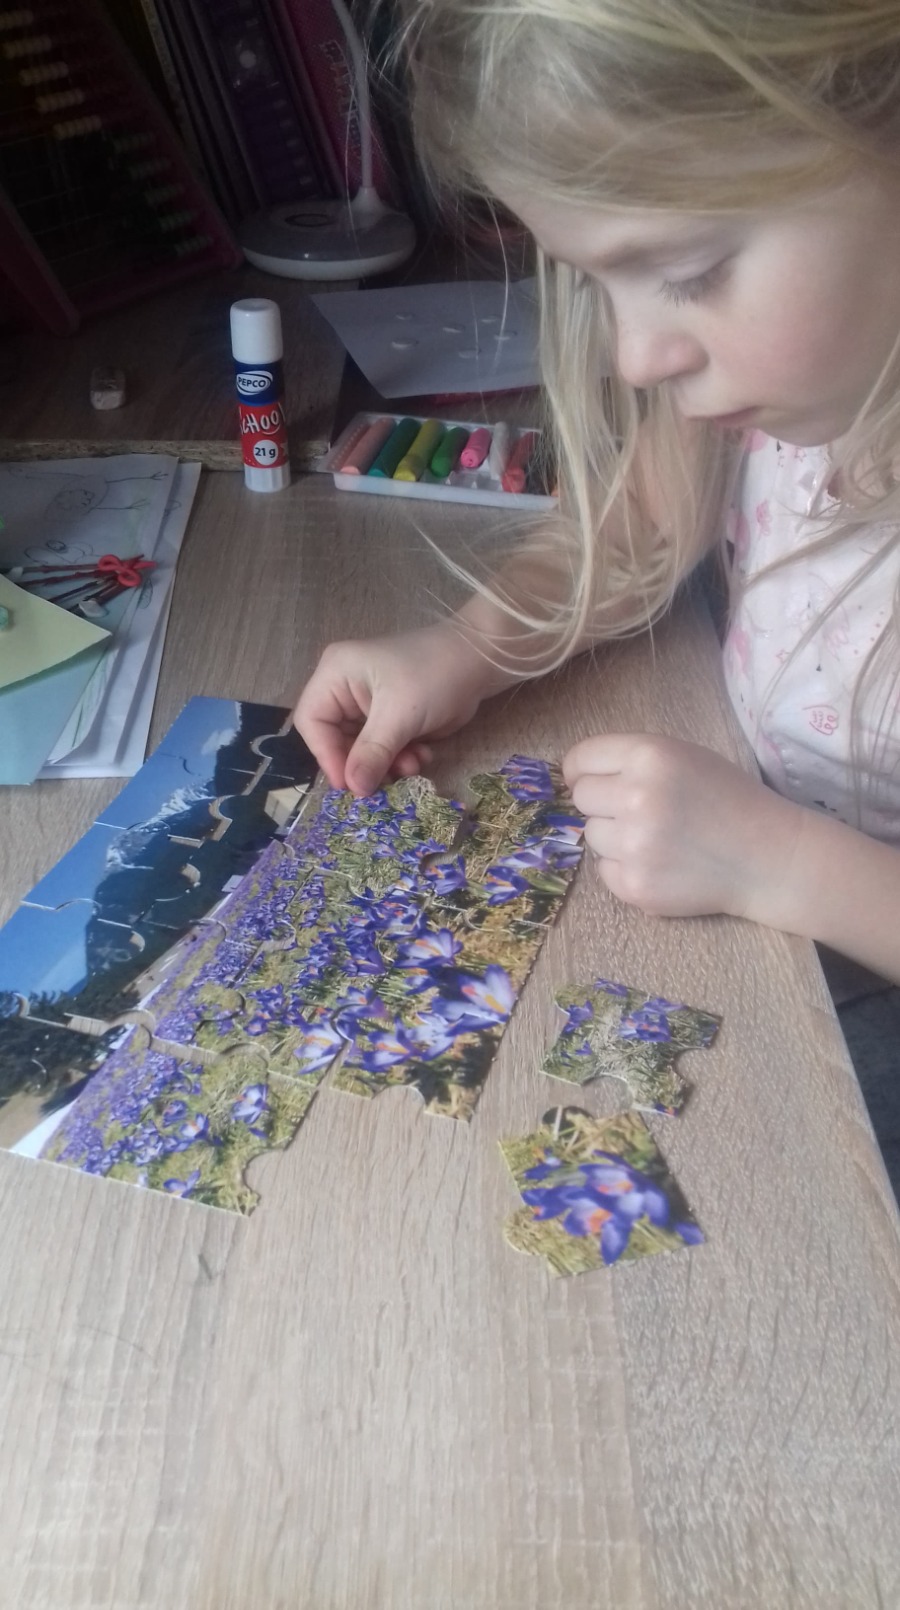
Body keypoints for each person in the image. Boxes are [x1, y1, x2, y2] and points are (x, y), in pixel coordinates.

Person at [294, 1, 900, 1125]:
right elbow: (637, 524)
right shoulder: (784, 393)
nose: (633, 356)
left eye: (691, 269)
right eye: (594, 280)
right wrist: (471, 643)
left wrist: (779, 864)